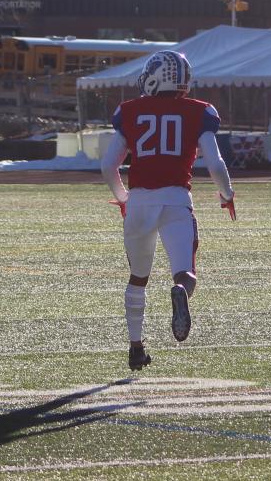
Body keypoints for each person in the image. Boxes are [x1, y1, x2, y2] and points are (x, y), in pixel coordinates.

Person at [101, 50, 235, 369]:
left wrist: (123, 199)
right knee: (186, 273)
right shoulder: (199, 112)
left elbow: (108, 166)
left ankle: (136, 347)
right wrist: (226, 194)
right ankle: (179, 291)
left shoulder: (130, 110)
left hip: (139, 202)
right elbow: (215, 163)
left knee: (137, 277)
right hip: (176, 199)